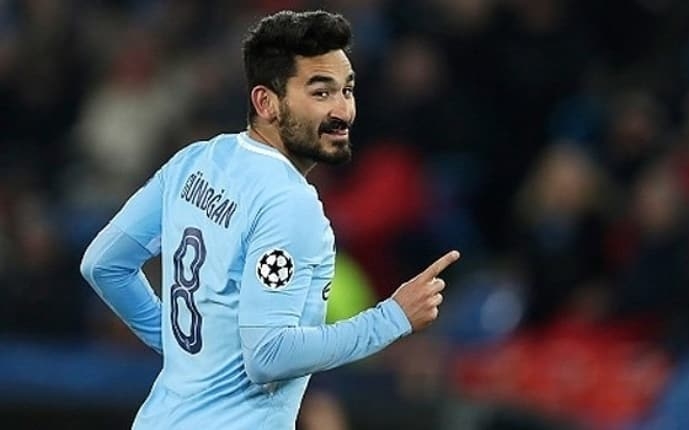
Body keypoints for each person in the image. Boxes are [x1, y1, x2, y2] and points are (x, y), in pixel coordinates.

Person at [79, 10, 460, 430]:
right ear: (266, 103)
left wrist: (179, 347)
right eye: (321, 93)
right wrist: (392, 318)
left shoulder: (195, 161)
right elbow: (268, 356)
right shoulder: (290, 203)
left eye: (347, 90)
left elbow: (104, 263)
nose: (343, 111)